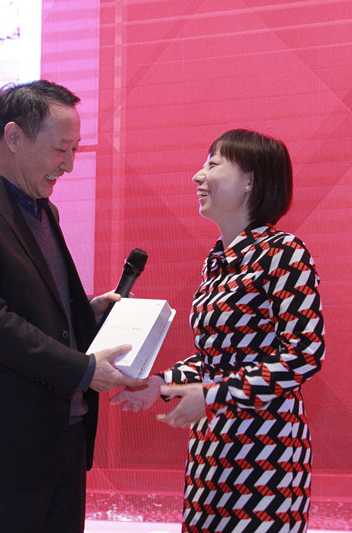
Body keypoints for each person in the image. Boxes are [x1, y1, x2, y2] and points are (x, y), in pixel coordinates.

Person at [0, 79, 143, 533]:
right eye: (60, 149)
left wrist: (86, 313)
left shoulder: (46, 211)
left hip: (63, 438)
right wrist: (83, 369)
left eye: (75, 150)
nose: (69, 164)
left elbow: (35, 306)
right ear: (14, 136)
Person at [111, 129, 326, 532]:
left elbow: (303, 354)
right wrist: (161, 384)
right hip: (211, 452)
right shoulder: (217, 260)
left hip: (265, 457)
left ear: (250, 181)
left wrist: (212, 396)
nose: (198, 176)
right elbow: (219, 359)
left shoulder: (284, 252)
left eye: (213, 164)